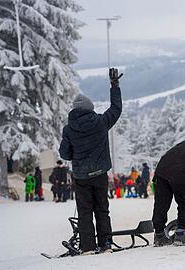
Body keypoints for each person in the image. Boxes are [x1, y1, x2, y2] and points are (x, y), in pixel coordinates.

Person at [59, 68, 123, 255]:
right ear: (90, 108)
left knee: (85, 211)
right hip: (100, 174)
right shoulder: (101, 122)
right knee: (102, 209)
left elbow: (65, 154)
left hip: (81, 177)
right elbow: (116, 109)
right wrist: (114, 86)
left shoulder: (68, 130)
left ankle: (87, 246)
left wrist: (75, 154)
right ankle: (106, 244)